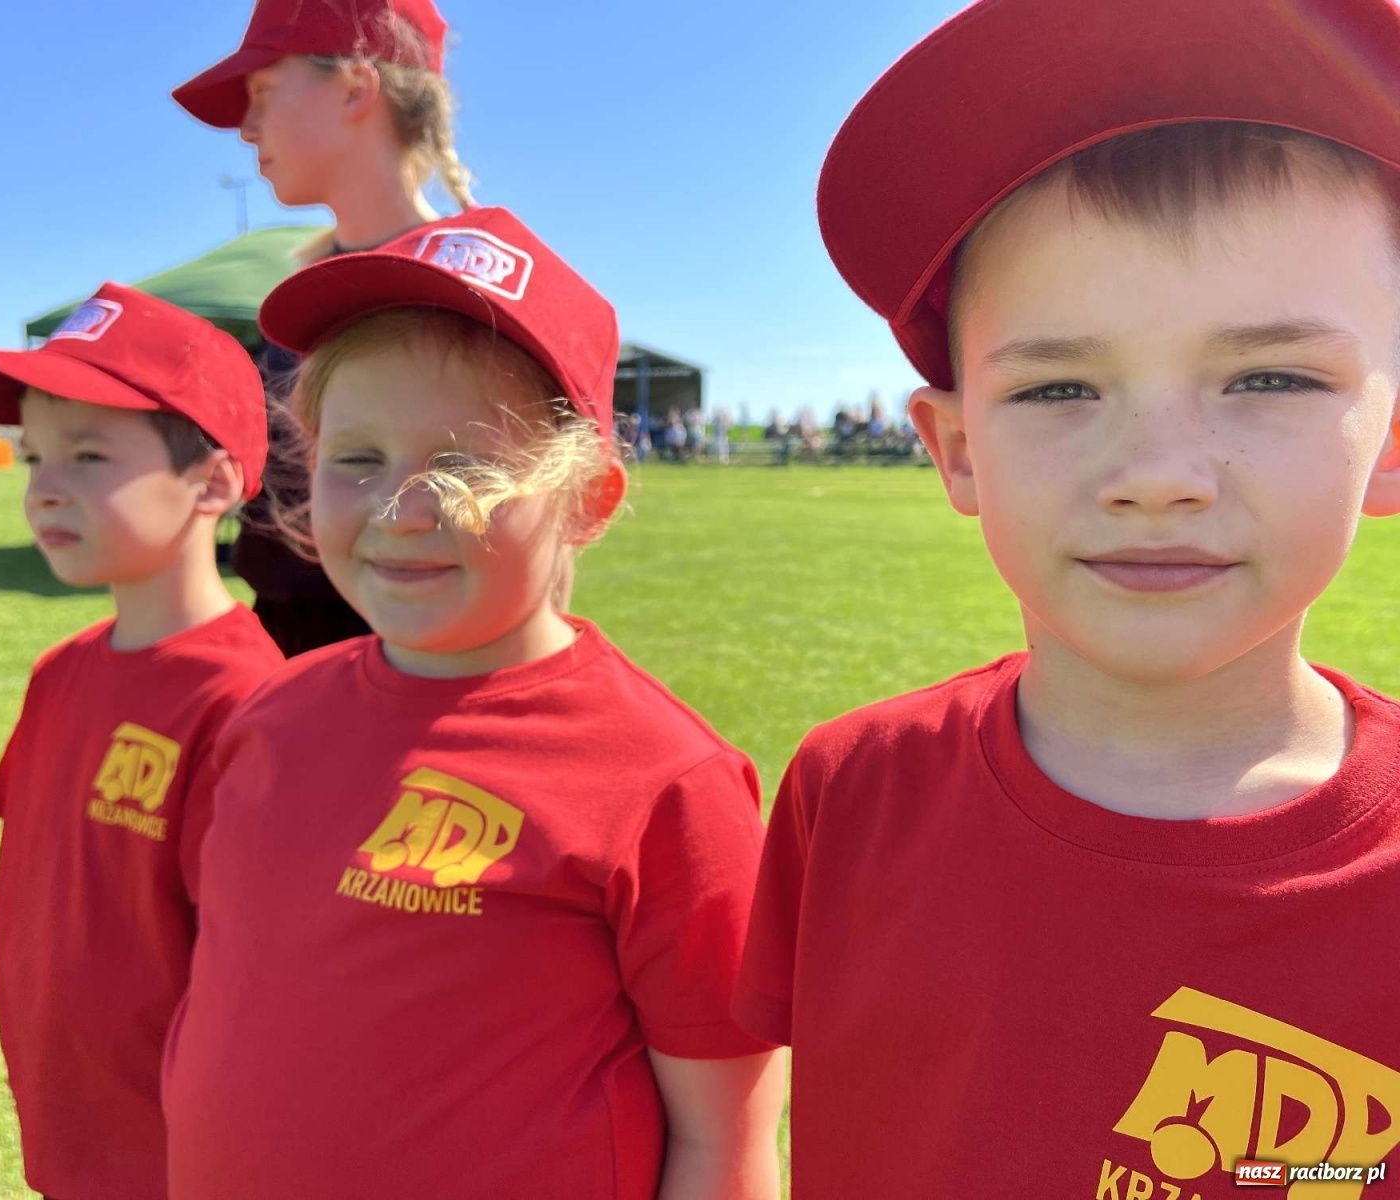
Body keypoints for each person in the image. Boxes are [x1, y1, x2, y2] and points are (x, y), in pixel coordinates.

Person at [733, 0, 1400, 1194]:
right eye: (1057, 389)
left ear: (1392, 441)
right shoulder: (849, 791)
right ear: (955, 451)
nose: (1155, 476)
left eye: (1268, 377)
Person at [164, 208, 787, 1199]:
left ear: (587, 501)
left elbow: (725, 1145)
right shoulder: (265, 718)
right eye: (356, 459)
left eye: (465, 464)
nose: (402, 508)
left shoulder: (665, 782)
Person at [0, 285, 284, 1200]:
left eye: (88, 453)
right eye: (36, 456)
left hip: (185, 1162)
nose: (44, 487)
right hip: (71, 1133)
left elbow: (264, 993)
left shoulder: (252, 703)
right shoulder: (61, 672)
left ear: (214, 482)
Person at [173, 0, 476, 657]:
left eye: (263, 92)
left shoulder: (475, 292)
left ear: (356, 87)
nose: (248, 129)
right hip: (285, 660)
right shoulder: (296, 302)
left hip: (412, 668)